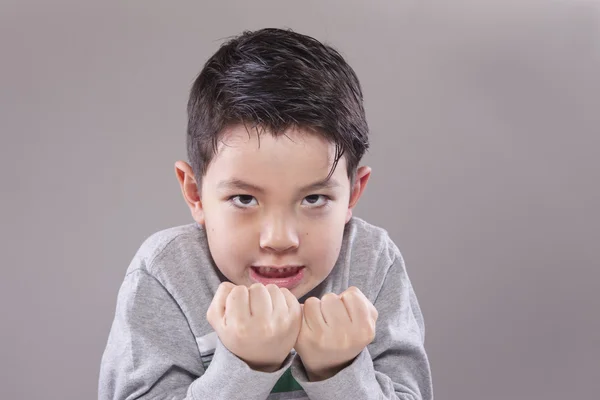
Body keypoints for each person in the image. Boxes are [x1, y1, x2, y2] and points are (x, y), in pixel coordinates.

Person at [99, 27, 433, 400]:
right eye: (244, 199)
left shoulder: (373, 263)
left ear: (353, 193)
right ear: (195, 192)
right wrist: (246, 366)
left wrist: (338, 371)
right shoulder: (167, 273)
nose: (279, 238)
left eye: (313, 199)